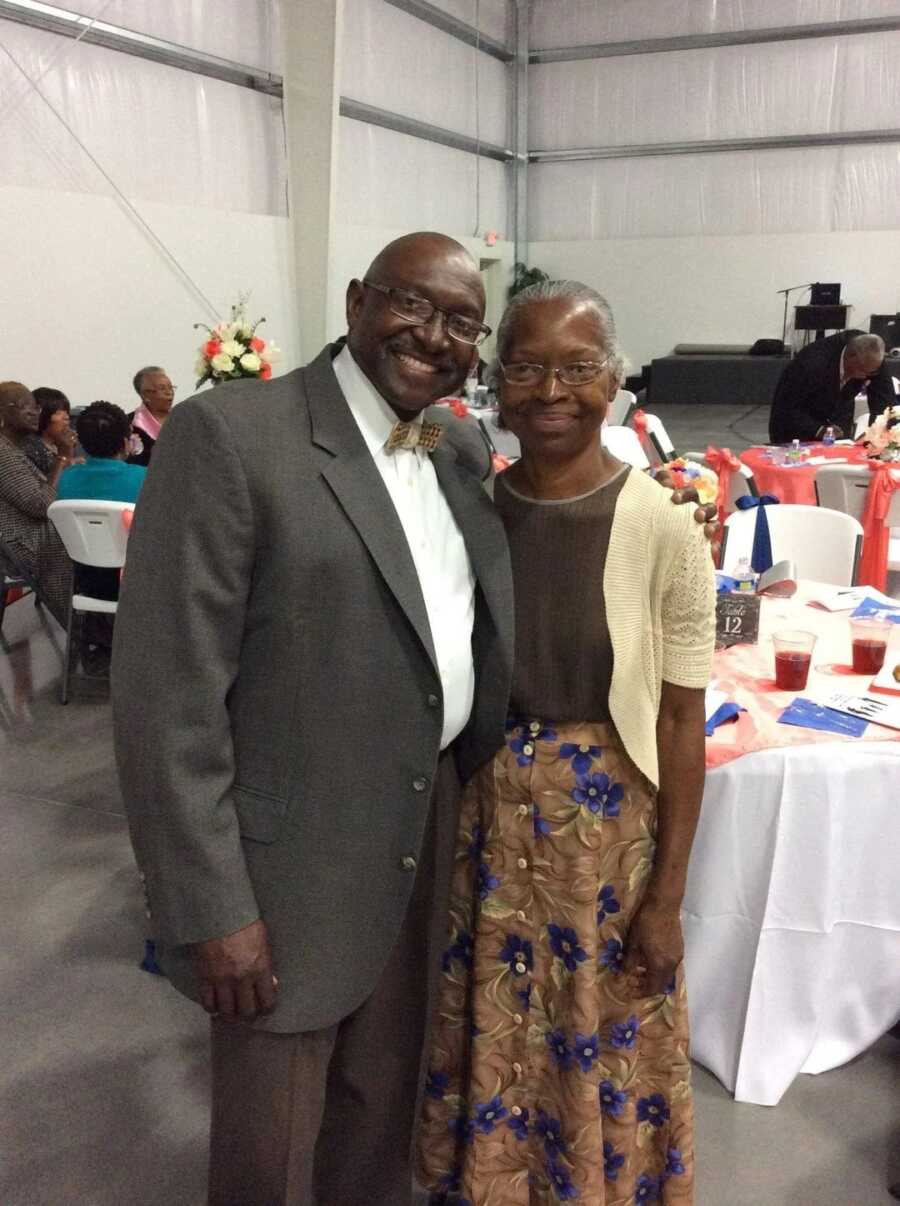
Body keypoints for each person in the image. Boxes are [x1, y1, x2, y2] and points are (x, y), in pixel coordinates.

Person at [111, 234, 714, 1206]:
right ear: (355, 300)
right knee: (271, 1160)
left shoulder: (455, 448)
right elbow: (163, 700)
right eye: (409, 304)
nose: (432, 335)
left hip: (439, 850)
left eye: (460, 323)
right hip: (288, 880)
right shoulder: (232, 436)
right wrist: (209, 907)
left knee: (383, 1134)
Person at [418, 281, 716, 1206]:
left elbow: (678, 725)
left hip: (608, 851)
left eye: (579, 367)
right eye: (529, 368)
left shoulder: (666, 530)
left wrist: (667, 899)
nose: (553, 390)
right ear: (496, 388)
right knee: (496, 1036)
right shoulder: (466, 515)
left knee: (601, 1036)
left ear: (616, 380)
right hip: (487, 828)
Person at [57, 401, 146, 674]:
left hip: (87, 581)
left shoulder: (67, 478)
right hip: (138, 581)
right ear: (125, 441)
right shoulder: (144, 477)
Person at [0, 381, 73, 628]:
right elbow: (42, 505)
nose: (33, 412)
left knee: (89, 538)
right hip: (20, 545)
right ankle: (84, 629)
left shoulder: (14, 449)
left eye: (35, 406)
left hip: (31, 535)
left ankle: (93, 626)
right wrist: (63, 456)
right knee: (86, 542)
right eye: (23, 406)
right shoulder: (2, 453)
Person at [768, 330, 893, 443]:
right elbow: (786, 408)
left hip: (838, 422)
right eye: (862, 370)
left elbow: (885, 406)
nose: (866, 376)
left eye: (871, 372)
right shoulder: (810, 364)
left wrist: (882, 437)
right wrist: (819, 430)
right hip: (797, 428)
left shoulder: (873, 358)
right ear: (851, 356)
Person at [23, 387, 76, 475]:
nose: (66, 417)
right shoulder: (29, 449)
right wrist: (66, 457)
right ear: (42, 416)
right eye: (58, 413)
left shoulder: (60, 444)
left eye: (67, 412)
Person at [127, 366, 175, 465]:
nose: (169, 392)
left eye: (170, 387)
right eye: (162, 388)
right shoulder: (128, 424)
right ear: (145, 395)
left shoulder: (183, 419)